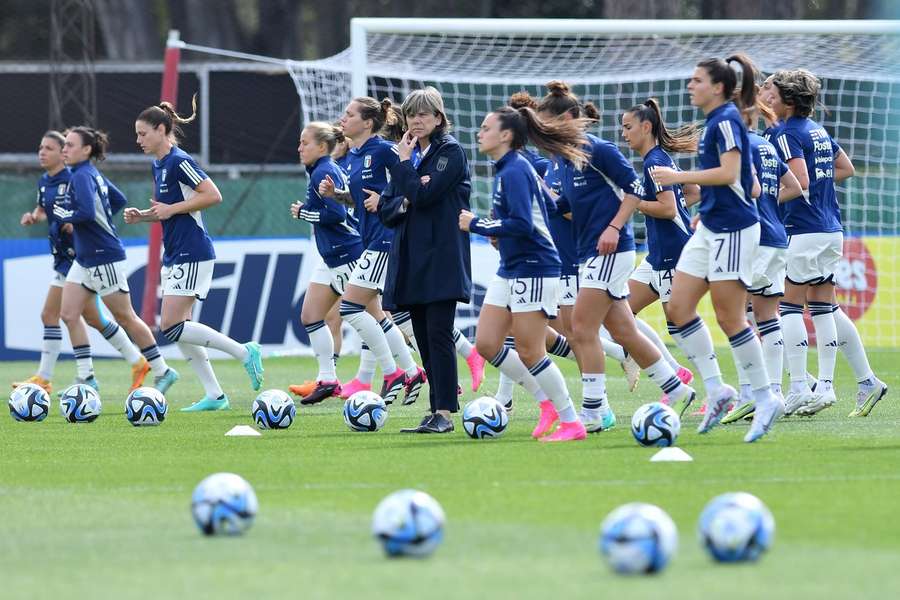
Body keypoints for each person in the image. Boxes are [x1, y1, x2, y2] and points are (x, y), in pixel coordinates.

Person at [537, 81, 697, 433]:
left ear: (567, 118)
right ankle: (679, 389)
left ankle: (595, 413)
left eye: (547, 126)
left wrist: (614, 226)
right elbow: (566, 208)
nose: (543, 135)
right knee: (623, 330)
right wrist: (543, 197)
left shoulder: (598, 149)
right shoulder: (564, 160)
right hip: (589, 252)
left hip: (611, 249)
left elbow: (635, 189)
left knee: (580, 328)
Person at [652, 54, 784, 443]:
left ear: (718, 87)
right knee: (677, 309)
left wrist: (680, 176)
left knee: (730, 318)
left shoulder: (725, 120)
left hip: (734, 232)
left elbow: (729, 173)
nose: (690, 85)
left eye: (697, 80)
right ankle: (717, 389)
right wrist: (710, 208)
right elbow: (751, 184)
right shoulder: (719, 122)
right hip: (712, 227)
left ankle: (765, 397)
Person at [126, 97, 264, 411]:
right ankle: (215, 395)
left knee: (171, 326)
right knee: (180, 328)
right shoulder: (159, 164)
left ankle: (245, 352)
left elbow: (213, 195)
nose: (138, 140)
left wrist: (170, 209)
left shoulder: (178, 160)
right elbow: (170, 210)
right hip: (175, 251)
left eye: (143, 133)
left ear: (162, 130)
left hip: (193, 250)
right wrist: (144, 215)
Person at [459, 105, 587, 442]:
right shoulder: (512, 169)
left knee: (531, 350)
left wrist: (477, 224)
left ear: (506, 135)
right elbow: (549, 208)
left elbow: (522, 224)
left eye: (486, 127)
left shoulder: (515, 170)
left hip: (534, 266)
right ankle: (545, 403)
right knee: (486, 343)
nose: (479, 133)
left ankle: (572, 421)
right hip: (511, 267)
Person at [768, 69, 887, 417]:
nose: (767, 98)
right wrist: (818, 180)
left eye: (772, 93)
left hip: (802, 228)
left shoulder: (786, 133)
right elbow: (845, 168)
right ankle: (828, 385)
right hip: (830, 227)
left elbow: (799, 181)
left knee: (788, 307)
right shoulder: (817, 131)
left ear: (787, 101)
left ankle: (798, 388)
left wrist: (765, 197)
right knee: (823, 306)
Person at [13, 131, 150, 394]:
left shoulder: (76, 177)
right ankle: (135, 361)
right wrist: (35, 216)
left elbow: (105, 202)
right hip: (63, 256)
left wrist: (85, 226)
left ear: (64, 153)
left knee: (60, 314)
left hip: (78, 257)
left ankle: (69, 376)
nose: (42, 152)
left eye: (50, 148)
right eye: (41, 147)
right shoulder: (45, 181)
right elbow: (46, 208)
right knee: (92, 319)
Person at [54, 126, 179, 394]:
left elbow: (86, 212)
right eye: (64, 145)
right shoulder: (88, 173)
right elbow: (117, 199)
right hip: (86, 258)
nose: (65, 149)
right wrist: (96, 219)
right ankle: (86, 377)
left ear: (86, 150)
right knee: (68, 314)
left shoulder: (81, 175)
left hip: (103, 257)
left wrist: (67, 216)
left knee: (125, 317)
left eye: (70, 145)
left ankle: (163, 370)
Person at [378, 86, 472, 434]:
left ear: (438, 118)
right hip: (411, 260)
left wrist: (408, 176)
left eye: (423, 115)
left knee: (438, 335)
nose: (416, 121)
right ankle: (436, 409)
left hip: (441, 257)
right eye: (411, 115)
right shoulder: (409, 155)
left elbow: (425, 195)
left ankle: (445, 412)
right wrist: (408, 192)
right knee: (422, 338)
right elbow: (387, 209)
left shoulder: (450, 152)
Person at [325, 97, 427, 404]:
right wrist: (338, 195)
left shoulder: (383, 149)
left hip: (387, 238)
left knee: (350, 308)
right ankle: (414, 371)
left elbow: (415, 180)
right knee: (389, 314)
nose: (343, 119)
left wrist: (387, 199)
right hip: (370, 238)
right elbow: (360, 200)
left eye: (349, 114)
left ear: (368, 123)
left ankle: (399, 371)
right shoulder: (354, 156)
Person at [720, 97, 803, 424]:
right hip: (777, 237)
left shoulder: (740, 149)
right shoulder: (767, 146)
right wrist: (768, 203)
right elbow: (796, 186)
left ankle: (748, 394)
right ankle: (775, 392)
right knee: (768, 317)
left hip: (751, 239)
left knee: (736, 317)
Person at [620, 99, 699, 415]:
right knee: (621, 313)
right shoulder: (659, 159)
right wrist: (677, 208)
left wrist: (633, 202)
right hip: (658, 256)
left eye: (628, 127)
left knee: (680, 325)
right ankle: (675, 373)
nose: (624, 134)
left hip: (673, 255)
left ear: (646, 127)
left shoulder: (655, 162)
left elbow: (667, 208)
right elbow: (692, 192)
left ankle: (719, 389)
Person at [290, 122, 364, 404]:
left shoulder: (324, 169)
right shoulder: (320, 170)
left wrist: (303, 214)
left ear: (322, 147)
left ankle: (408, 371)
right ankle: (328, 380)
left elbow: (336, 215)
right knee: (311, 316)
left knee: (376, 319)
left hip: (347, 254)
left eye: (304, 143)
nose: (299, 148)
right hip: (331, 257)